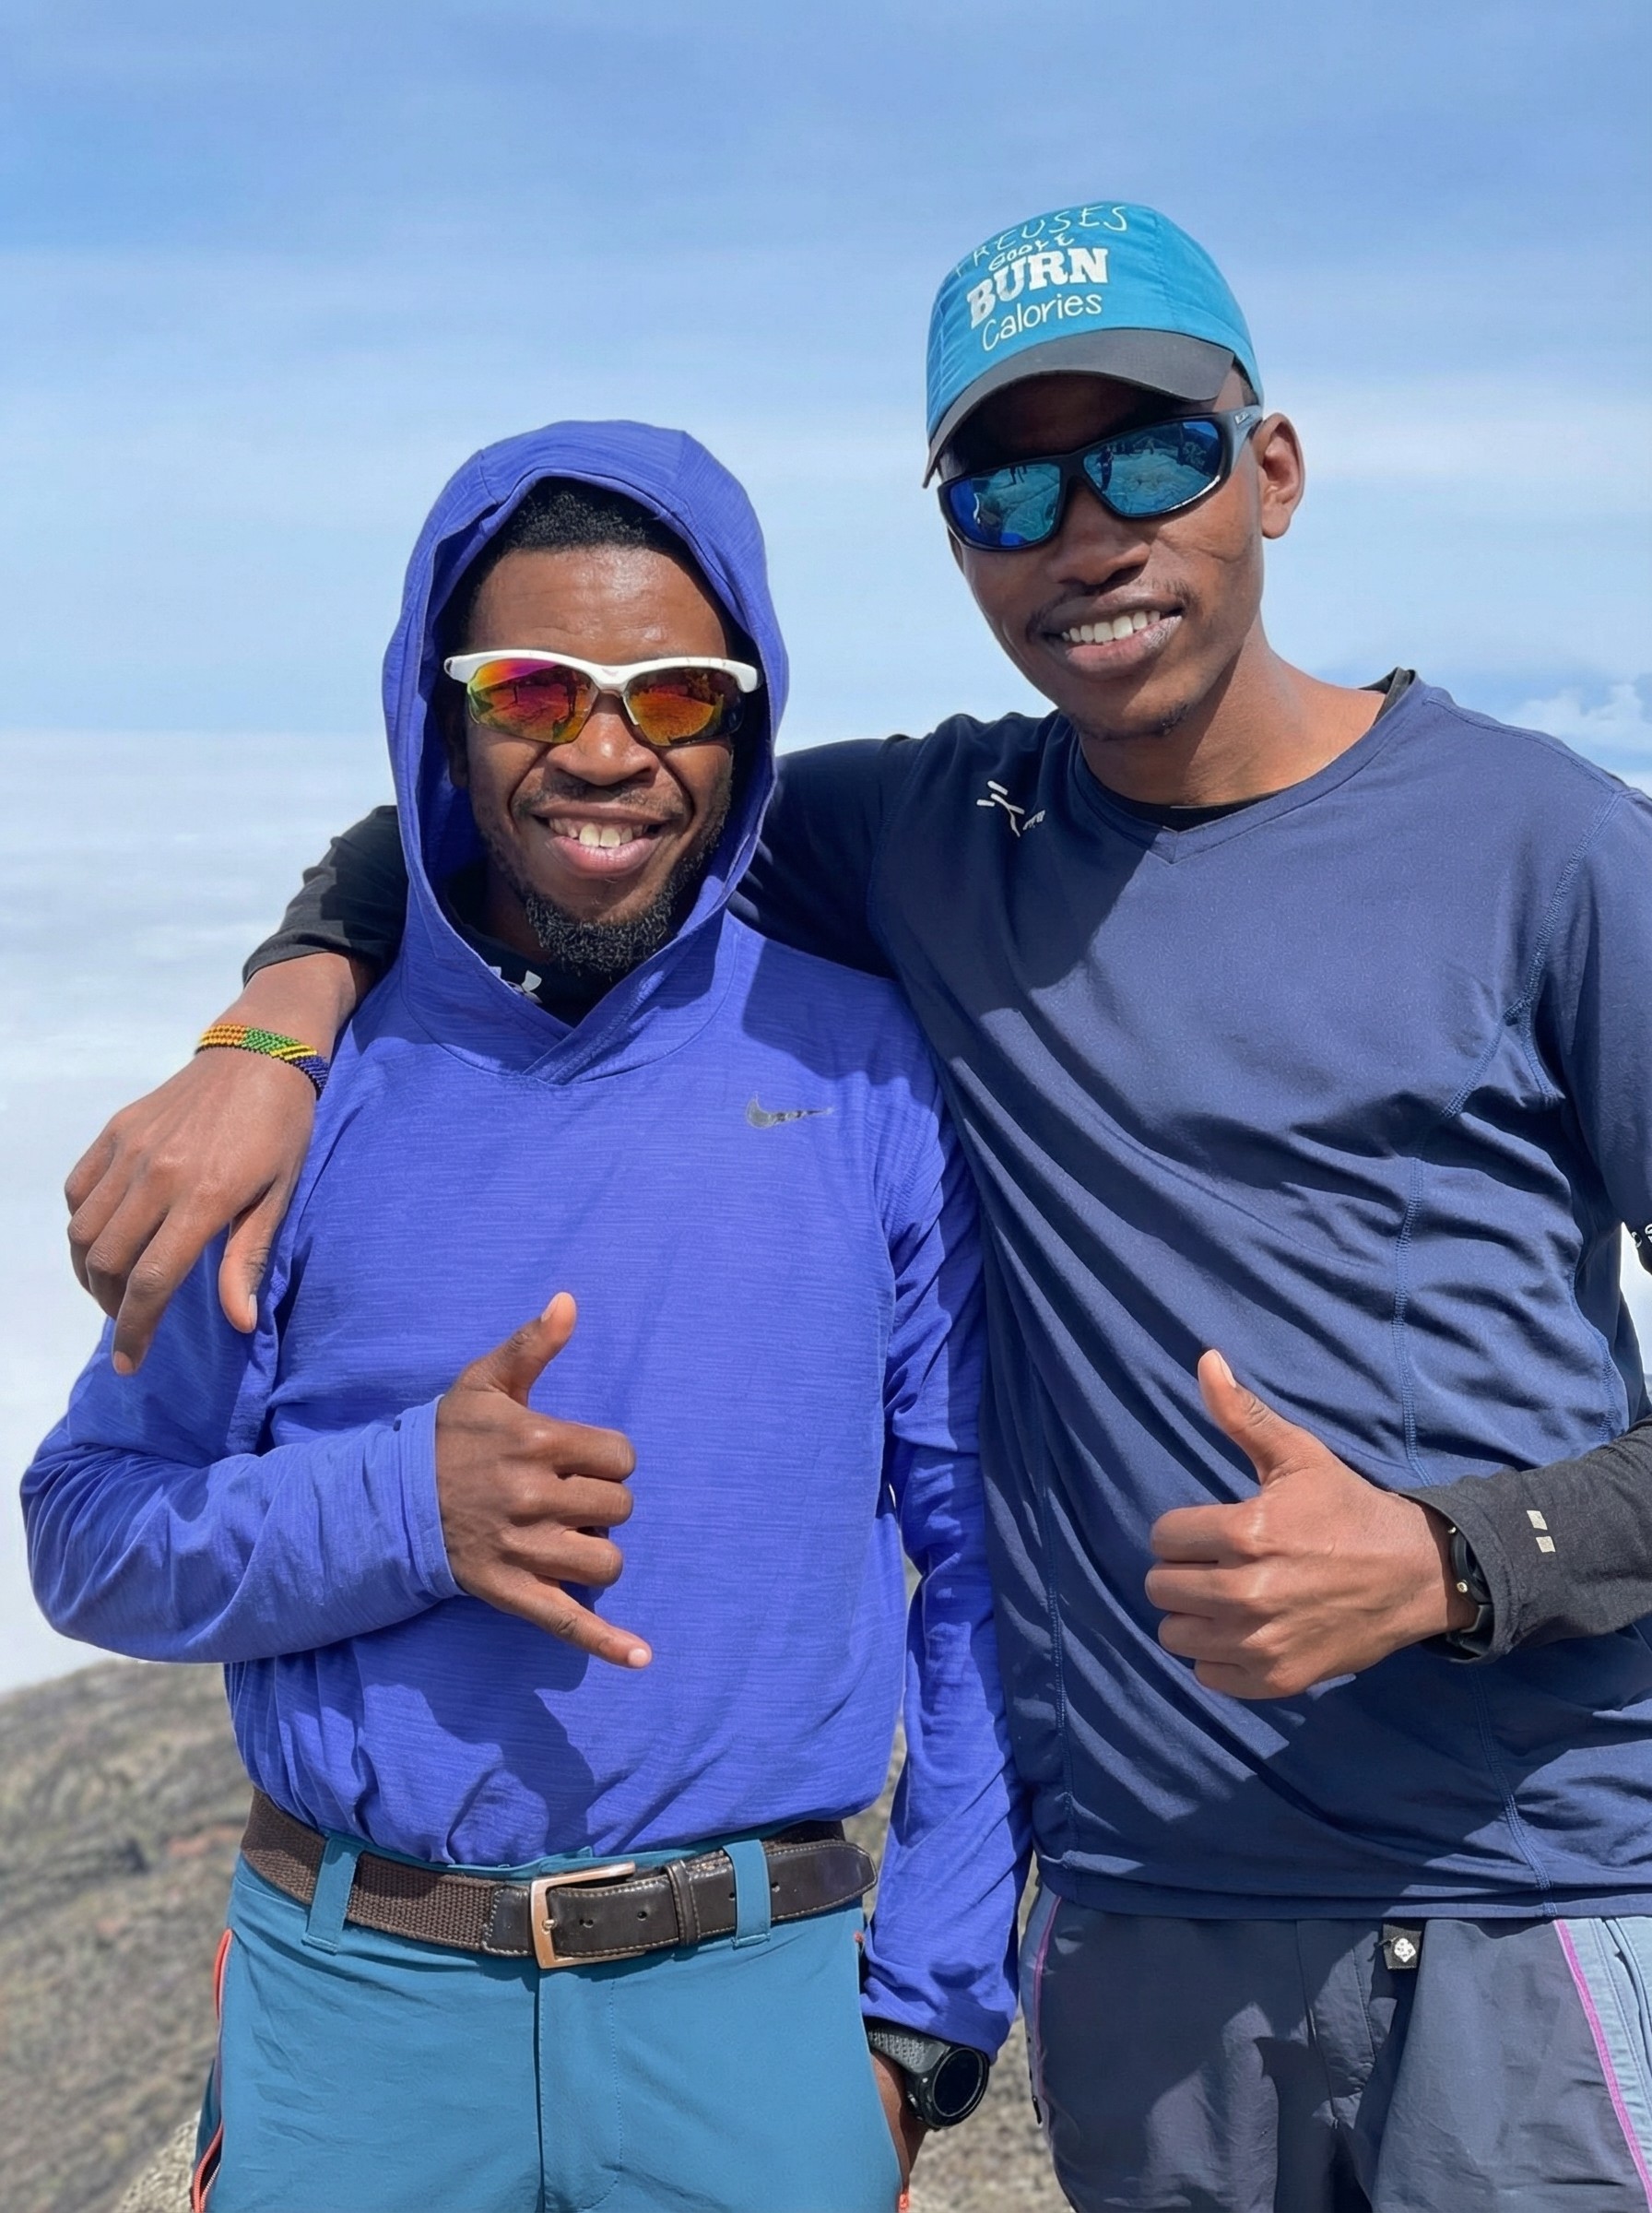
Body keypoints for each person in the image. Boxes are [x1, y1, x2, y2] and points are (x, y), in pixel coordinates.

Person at [58, 205, 1652, 2208]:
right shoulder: (910, 844)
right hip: (1137, 1929)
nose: (1082, 530)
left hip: (1502, 1888)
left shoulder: (1547, 850)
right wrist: (277, 1024)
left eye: (1146, 453)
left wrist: (1456, 1556)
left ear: (1270, 469)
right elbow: (535, 815)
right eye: (1004, 482)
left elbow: (947, 1545)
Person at [25, 422, 1030, 2213]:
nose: (603, 748)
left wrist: (922, 2024)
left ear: (749, 713)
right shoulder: (295, 1098)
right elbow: (90, 1535)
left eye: (675, 693)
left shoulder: (861, 1072)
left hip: (758, 2014)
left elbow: (980, 1570)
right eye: (534, 687)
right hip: (357, 2015)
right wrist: (405, 1507)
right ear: (445, 708)